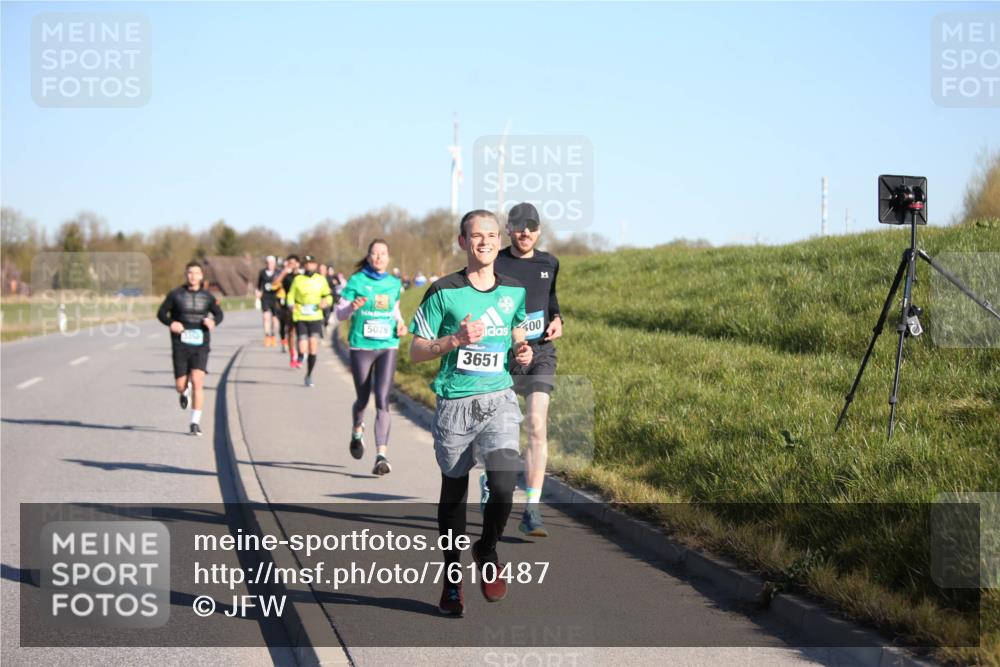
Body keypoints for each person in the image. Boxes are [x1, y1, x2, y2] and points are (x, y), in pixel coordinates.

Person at [409, 209, 533, 615]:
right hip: (455, 406)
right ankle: (452, 579)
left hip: (498, 399)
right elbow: (415, 352)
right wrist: (454, 339)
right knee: (454, 494)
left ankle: (487, 548)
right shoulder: (443, 292)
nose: (485, 242)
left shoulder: (514, 290)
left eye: (492, 235)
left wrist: (521, 348)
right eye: (476, 236)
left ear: (501, 240)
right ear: (463, 242)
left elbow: (516, 326)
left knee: (503, 482)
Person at [490, 202, 563, 537]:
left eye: (531, 226)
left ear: (539, 230)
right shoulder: (496, 262)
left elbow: (550, 300)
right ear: (509, 229)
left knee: (536, 423)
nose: (525, 232)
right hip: (503, 356)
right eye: (519, 226)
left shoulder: (550, 263)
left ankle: (532, 508)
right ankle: (492, 480)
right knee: (498, 433)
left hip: (540, 354)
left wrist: (558, 319)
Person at [335, 239, 406, 475]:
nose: (379, 257)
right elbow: (340, 314)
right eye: (374, 254)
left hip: (388, 345)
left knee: (383, 399)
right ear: (368, 257)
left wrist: (401, 324)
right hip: (361, 346)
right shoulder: (356, 281)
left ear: (388, 257)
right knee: (363, 398)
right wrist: (352, 307)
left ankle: (381, 456)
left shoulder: (394, 283)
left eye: (383, 253)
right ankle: (357, 430)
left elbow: (395, 311)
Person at [157, 261, 224, 436]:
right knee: (180, 385)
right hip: (180, 343)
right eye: (190, 273)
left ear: (201, 276)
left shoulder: (208, 297)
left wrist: (213, 321)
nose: (193, 276)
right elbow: (161, 313)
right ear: (186, 275)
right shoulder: (175, 295)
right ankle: (183, 391)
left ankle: (195, 422)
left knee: (197, 380)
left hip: (201, 344)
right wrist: (172, 323)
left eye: (196, 273)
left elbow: (219, 314)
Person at [285, 255, 331, 387]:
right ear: (304, 265)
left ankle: (309, 375)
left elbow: (328, 296)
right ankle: (300, 355)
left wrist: (325, 302)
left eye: (312, 263)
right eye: (307, 264)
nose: (309, 266)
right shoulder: (298, 279)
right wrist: (290, 305)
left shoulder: (321, 280)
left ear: (315, 265)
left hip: (315, 316)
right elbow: (290, 295)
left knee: (313, 347)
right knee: (303, 346)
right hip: (301, 316)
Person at [274, 255, 301, 366]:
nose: (291, 265)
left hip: (300, 307)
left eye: (293, 263)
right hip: (288, 307)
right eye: (289, 263)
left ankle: (301, 353)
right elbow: (275, 284)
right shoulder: (286, 276)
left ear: (298, 264)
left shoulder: (302, 276)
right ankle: (292, 354)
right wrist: (284, 272)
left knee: (301, 333)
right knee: (291, 331)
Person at [256, 255, 282, 347]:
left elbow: (282, 285)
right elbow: (258, 285)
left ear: (275, 263)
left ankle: (273, 335)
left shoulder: (279, 272)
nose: (270, 264)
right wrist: (258, 294)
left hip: (275, 297)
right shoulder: (262, 272)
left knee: (275, 319)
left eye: (272, 262)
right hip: (266, 297)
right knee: (266, 317)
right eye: (268, 262)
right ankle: (267, 336)